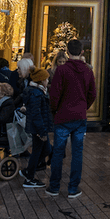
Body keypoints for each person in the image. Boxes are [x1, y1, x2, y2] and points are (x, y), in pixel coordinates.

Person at [47, 39, 97, 198]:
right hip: (79, 117)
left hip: (62, 116)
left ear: (68, 52)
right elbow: (92, 94)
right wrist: (83, 107)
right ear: (82, 52)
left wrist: (55, 110)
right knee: (77, 152)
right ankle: (73, 188)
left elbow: (54, 94)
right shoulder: (88, 71)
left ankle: (54, 187)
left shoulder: (61, 70)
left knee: (58, 152)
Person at [20, 69, 53, 188]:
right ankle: (29, 178)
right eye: (46, 79)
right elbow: (36, 114)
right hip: (38, 128)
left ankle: (28, 171)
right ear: (41, 80)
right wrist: (42, 131)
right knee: (38, 152)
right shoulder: (36, 93)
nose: (48, 81)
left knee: (45, 150)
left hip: (39, 128)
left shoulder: (38, 92)